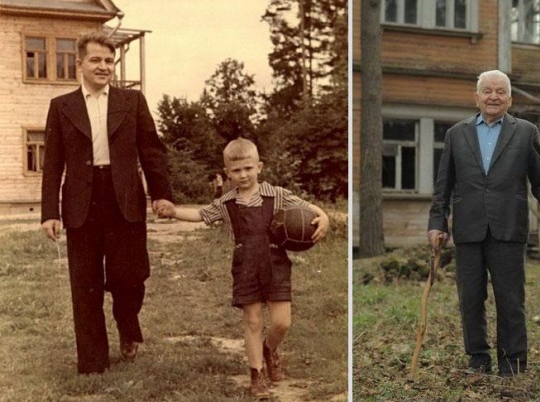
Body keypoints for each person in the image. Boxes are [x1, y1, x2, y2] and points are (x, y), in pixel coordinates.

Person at [41, 32, 173, 374]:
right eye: (96, 60)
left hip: (125, 200)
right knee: (84, 283)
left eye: (109, 61)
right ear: (80, 64)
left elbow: (152, 150)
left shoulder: (132, 101)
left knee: (129, 276)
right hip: (81, 202)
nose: (104, 67)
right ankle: (93, 361)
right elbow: (53, 162)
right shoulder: (61, 106)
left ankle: (127, 326)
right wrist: (49, 213)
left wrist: (161, 193)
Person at [157, 137, 330, 398]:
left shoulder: (277, 194)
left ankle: (269, 349)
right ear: (227, 173)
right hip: (245, 265)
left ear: (259, 167)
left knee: (282, 323)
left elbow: (308, 208)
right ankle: (256, 373)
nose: (243, 175)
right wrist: (173, 212)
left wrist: (324, 217)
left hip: (276, 265)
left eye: (248, 168)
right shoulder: (227, 204)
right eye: (236, 170)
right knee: (252, 321)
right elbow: (201, 215)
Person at [427, 70, 540, 376]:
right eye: (487, 91)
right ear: (477, 97)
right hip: (468, 229)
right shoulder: (456, 134)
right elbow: (443, 184)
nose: (493, 97)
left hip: (508, 227)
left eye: (500, 92)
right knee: (470, 298)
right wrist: (437, 221)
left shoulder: (525, 132)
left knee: (511, 299)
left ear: (509, 99)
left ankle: (512, 363)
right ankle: (478, 358)